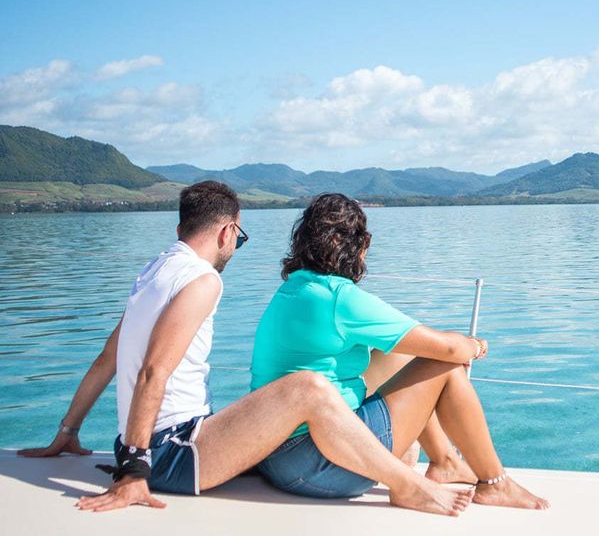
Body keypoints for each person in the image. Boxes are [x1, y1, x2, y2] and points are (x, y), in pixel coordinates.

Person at [19, 181, 472, 517]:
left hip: (151, 446)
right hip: (174, 453)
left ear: (181, 227)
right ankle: (409, 484)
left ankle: (437, 460)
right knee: (307, 388)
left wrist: (68, 431)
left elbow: (108, 359)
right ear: (227, 230)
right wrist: (134, 473)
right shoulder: (202, 281)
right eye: (239, 238)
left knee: (311, 389)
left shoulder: (154, 273)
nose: (235, 247)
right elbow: (153, 371)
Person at [250, 193, 549, 509]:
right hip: (324, 467)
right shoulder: (339, 298)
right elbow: (449, 348)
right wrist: (475, 346)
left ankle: (445, 461)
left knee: (398, 356)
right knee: (443, 365)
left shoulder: (293, 289)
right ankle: (494, 483)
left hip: (275, 456)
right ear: (356, 246)